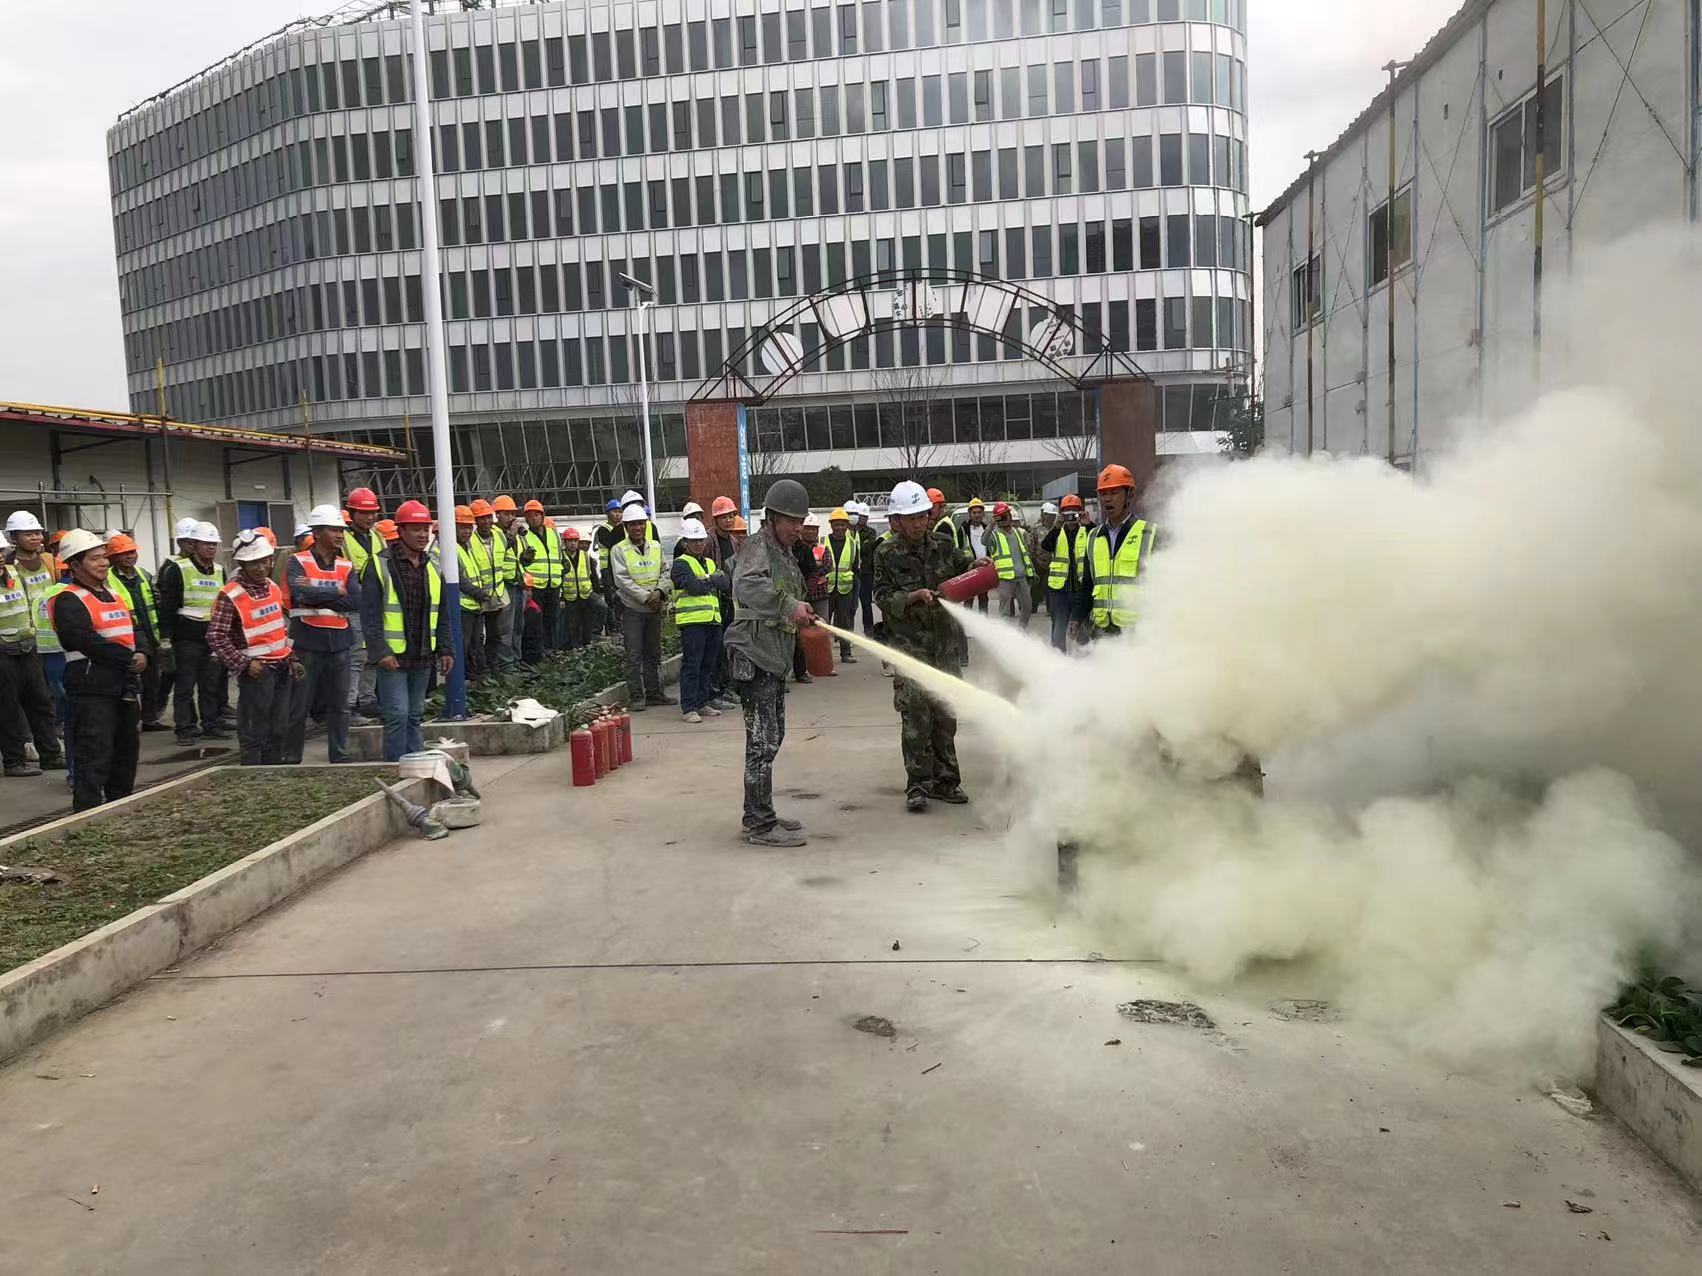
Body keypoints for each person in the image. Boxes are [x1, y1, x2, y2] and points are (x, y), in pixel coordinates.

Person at [874, 480, 988, 813]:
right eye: (911, 518)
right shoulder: (885, 553)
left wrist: (975, 567)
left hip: (945, 647)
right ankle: (918, 785)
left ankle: (946, 781)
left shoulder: (943, 544)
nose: (918, 523)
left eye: (922, 516)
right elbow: (882, 596)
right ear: (897, 520)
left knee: (945, 716)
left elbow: (963, 566)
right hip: (911, 650)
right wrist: (912, 596)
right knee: (916, 719)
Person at [724, 478, 815, 847]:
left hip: (771, 656)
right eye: (792, 521)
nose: (798, 528)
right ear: (773, 517)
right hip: (754, 653)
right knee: (762, 742)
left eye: (801, 521)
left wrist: (800, 610)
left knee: (771, 737)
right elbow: (747, 585)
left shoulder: (784, 553)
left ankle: (759, 815)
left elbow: (789, 594)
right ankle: (761, 826)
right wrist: (789, 605)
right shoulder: (757, 546)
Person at [50, 530, 144, 811]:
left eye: (104, 557)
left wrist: (143, 652)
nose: (103, 563)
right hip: (91, 687)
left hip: (123, 683)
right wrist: (128, 657)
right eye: (95, 559)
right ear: (75, 565)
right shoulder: (68, 600)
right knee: (94, 754)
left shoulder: (114, 594)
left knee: (126, 754)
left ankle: (119, 807)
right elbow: (84, 640)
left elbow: (134, 628)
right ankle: (88, 813)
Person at [359, 500, 454, 762]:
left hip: (422, 654)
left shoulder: (433, 565)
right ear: (400, 531)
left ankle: (415, 767)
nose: (423, 535)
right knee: (397, 715)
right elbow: (369, 615)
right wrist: (380, 652)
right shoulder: (379, 564)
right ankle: (396, 769)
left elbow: (442, 612)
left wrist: (445, 648)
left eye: (426, 529)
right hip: (393, 656)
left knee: (414, 714)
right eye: (415, 529)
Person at [210, 530, 305, 766]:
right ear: (242, 564)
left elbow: (279, 629)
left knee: (279, 729)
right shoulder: (231, 594)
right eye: (254, 563)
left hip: (281, 668)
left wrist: (292, 658)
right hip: (256, 672)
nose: (261, 567)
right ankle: (253, 774)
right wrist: (244, 664)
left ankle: (274, 774)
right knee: (255, 731)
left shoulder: (272, 587)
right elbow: (216, 636)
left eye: (264, 561)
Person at [284, 503, 361, 764]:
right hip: (307, 641)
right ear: (316, 533)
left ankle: (339, 755)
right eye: (333, 530)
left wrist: (318, 595)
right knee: (299, 705)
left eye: (341, 530)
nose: (340, 535)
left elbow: (355, 600)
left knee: (340, 706)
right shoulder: (297, 561)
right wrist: (336, 592)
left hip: (339, 642)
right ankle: (291, 757)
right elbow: (300, 593)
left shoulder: (345, 565)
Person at [0, 522, 65, 779]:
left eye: (1, 552)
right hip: (3, 652)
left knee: (40, 702)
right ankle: (14, 761)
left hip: (27, 646)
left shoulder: (13, 573)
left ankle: (50, 755)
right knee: (7, 710)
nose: (0, 557)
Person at [157, 520, 229, 745]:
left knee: (210, 685)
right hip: (187, 638)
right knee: (185, 686)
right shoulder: (178, 569)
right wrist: (166, 637)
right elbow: (168, 606)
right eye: (206, 544)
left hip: (212, 637)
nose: (211, 548)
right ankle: (185, 727)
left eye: (214, 544)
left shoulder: (220, 571)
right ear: (194, 545)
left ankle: (210, 724)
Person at [1071, 464, 1158, 642]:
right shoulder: (1093, 537)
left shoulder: (1150, 534)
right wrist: (1076, 617)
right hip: (1101, 633)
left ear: (1130, 494)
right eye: (1103, 494)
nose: (1107, 499)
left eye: (1114, 492)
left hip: (1138, 635)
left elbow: (1165, 588)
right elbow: (1087, 585)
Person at [611, 501, 673, 709]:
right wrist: (647, 597)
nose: (638, 527)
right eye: (633, 524)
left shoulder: (656, 546)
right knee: (634, 654)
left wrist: (660, 592)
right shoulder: (619, 550)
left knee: (653, 653)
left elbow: (665, 571)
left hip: (653, 608)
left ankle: (654, 693)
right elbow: (622, 580)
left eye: (641, 523)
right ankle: (637, 696)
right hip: (633, 609)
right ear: (626, 527)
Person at [104, 533, 167, 730]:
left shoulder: (143, 574)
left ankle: (150, 719)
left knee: (152, 681)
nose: (129, 556)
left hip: (149, 635)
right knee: (128, 682)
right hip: (124, 637)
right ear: (114, 557)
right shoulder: (107, 579)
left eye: (132, 552)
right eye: (124, 553)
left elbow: (157, 602)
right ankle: (129, 722)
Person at [671, 516, 727, 723]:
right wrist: (712, 579)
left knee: (707, 665)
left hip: (712, 620)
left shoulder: (709, 562)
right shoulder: (680, 564)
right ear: (685, 542)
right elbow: (694, 587)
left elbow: (725, 583)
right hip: (692, 622)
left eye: (701, 540)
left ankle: (702, 703)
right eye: (694, 541)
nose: (698, 544)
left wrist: (708, 580)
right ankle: (688, 707)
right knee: (692, 665)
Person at [452, 505, 496, 680]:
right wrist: (481, 593)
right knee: (464, 646)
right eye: (462, 527)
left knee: (476, 644)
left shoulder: (467, 547)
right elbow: (459, 580)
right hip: (463, 606)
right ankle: (466, 678)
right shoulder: (452, 549)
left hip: (474, 606)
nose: (467, 531)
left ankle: (477, 676)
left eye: (469, 527)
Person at [468, 499, 511, 671]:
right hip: (478, 596)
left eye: (488, 517)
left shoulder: (499, 535)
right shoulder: (470, 540)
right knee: (477, 638)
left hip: (496, 594)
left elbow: (505, 559)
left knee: (495, 634)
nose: (486, 521)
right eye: (481, 518)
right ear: (474, 521)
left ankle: (493, 666)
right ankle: (481, 669)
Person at [1040, 494, 1087, 651]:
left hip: (1081, 589)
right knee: (1059, 629)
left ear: (1080, 512)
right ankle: (1058, 659)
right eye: (1067, 511)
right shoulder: (1057, 531)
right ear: (1061, 514)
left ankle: (1086, 659)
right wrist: (1056, 526)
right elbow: (1045, 546)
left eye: (1074, 511)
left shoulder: (1087, 530)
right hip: (1060, 590)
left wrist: (1089, 523)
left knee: (1083, 629)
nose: (1071, 516)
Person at [518, 500, 563, 652]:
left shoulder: (554, 534)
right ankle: (540, 652)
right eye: (530, 516)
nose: (533, 518)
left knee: (553, 620)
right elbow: (521, 564)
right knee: (536, 622)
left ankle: (552, 650)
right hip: (535, 586)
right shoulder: (524, 536)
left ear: (543, 516)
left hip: (553, 584)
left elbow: (559, 557)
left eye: (536, 515)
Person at [792, 518, 827, 683]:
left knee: (800, 636)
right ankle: (780, 674)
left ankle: (800, 671)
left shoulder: (803, 550)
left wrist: (805, 592)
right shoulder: (773, 549)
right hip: (778, 597)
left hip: (801, 597)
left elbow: (813, 571)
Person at [823, 507, 860, 663]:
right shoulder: (823, 542)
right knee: (824, 624)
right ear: (831, 525)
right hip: (826, 589)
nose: (839, 527)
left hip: (845, 590)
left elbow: (855, 567)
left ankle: (846, 653)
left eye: (842, 524)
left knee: (845, 622)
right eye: (836, 524)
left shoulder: (852, 544)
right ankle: (824, 655)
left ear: (847, 525)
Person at [491, 495, 525, 663]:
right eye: (506, 514)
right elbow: (499, 552)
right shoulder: (494, 533)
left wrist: (526, 558)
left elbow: (515, 559)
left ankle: (516, 659)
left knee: (518, 626)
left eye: (512, 513)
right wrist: (511, 535)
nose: (510, 517)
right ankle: (505, 662)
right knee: (506, 627)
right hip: (504, 585)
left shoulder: (514, 534)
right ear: (497, 515)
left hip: (517, 583)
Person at [989, 502, 1035, 629]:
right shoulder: (994, 535)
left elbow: (1024, 553)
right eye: (1001, 517)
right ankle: (1006, 635)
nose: (1004, 519)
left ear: (1010, 516)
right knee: (1005, 611)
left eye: (1006, 515)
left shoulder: (1018, 533)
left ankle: (1021, 629)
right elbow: (984, 541)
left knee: (1027, 607)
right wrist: (990, 527)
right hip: (1005, 578)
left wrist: (1032, 570)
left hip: (1021, 576)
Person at [560, 526, 597, 649]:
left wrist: (592, 590)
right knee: (572, 623)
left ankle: (587, 643)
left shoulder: (585, 556)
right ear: (565, 542)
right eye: (570, 541)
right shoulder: (561, 557)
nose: (573, 543)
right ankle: (575, 646)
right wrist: (561, 598)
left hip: (585, 594)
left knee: (587, 620)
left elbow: (591, 575)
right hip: (569, 596)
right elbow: (559, 578)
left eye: (575, 541)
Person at [593, 498, 625, 636]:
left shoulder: (622, 529)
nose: (618, 515)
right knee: (611, 597)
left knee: (620, 597)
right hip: (607, 568)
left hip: (619, 567)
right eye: (614, 511)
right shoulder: (603, 529)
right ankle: (612, 627)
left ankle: (619, 623)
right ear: (608, 513)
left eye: (620, 512)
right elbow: (613, 545)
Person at [851, 501, 881, 634]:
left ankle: (869, 630)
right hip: (852, 571)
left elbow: (865, 548)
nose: (863, 519)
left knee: (866, 603)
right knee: (849, 605)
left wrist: (856, 545)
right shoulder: (850, 531)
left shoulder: (871, 532)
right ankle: (846, 630)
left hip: (866, 572)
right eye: (861, 516)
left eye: (865, 516)